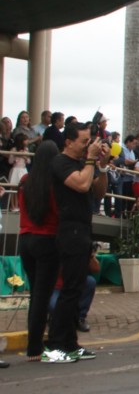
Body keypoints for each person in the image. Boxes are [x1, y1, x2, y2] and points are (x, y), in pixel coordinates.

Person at [43, 122, 110, 364]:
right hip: (69, 230)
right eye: (83, 141)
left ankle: (70, 344)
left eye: (88, 141)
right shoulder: (60, 163)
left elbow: (98, 192)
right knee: (70, 290)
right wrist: (91, 161)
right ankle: (55, 345)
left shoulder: (84, 163)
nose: (87, 146)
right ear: (68, 141)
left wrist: (101, 166)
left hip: (83, 229)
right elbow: (81, 184)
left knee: (77, 288)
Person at [17, 141, 61, 361]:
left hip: (25, 238)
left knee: (36, 293)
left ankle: (33, 343)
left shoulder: (25, 181)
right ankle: (35, 347)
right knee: (42, 296)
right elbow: (56, 213)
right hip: (46, 239)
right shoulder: (53, 183)